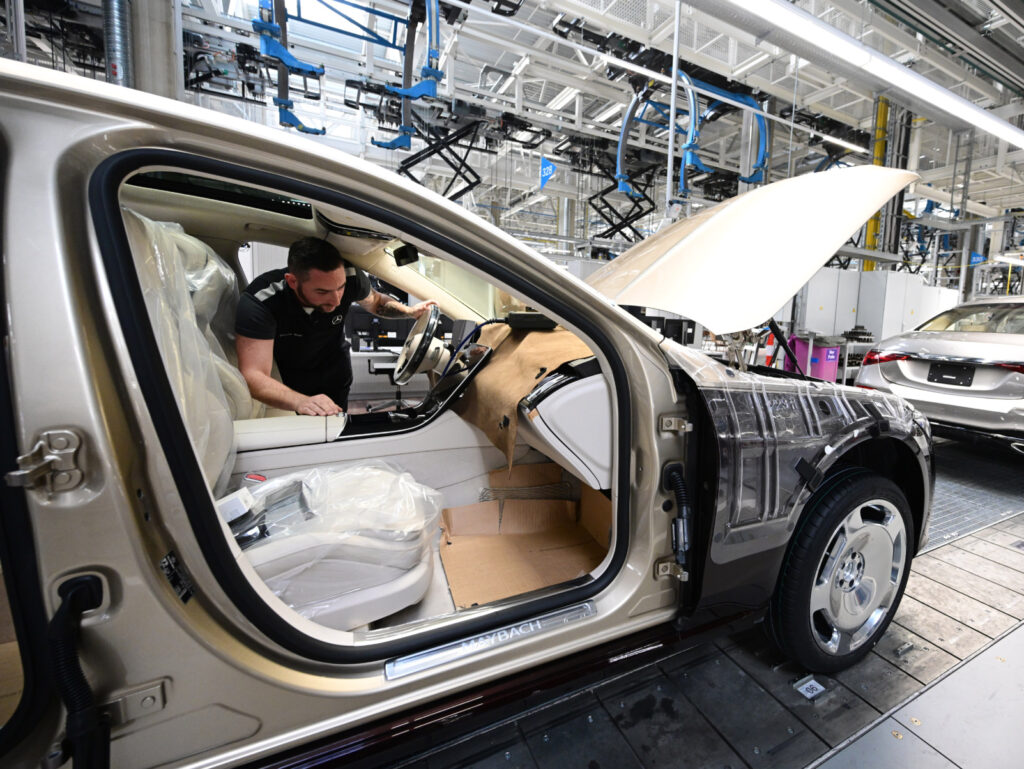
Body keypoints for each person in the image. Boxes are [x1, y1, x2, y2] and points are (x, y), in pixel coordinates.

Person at [235, 237, 436, 416]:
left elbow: (376, 302)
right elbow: (253, 375)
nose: (336, 301)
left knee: (337, 429)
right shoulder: (262, 302)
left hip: (335, 372)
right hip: (290, 379)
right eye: (322, 292)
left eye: (340, 288)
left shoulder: (351, 277)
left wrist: (409, 312)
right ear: (292, 281)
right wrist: (301, 401)